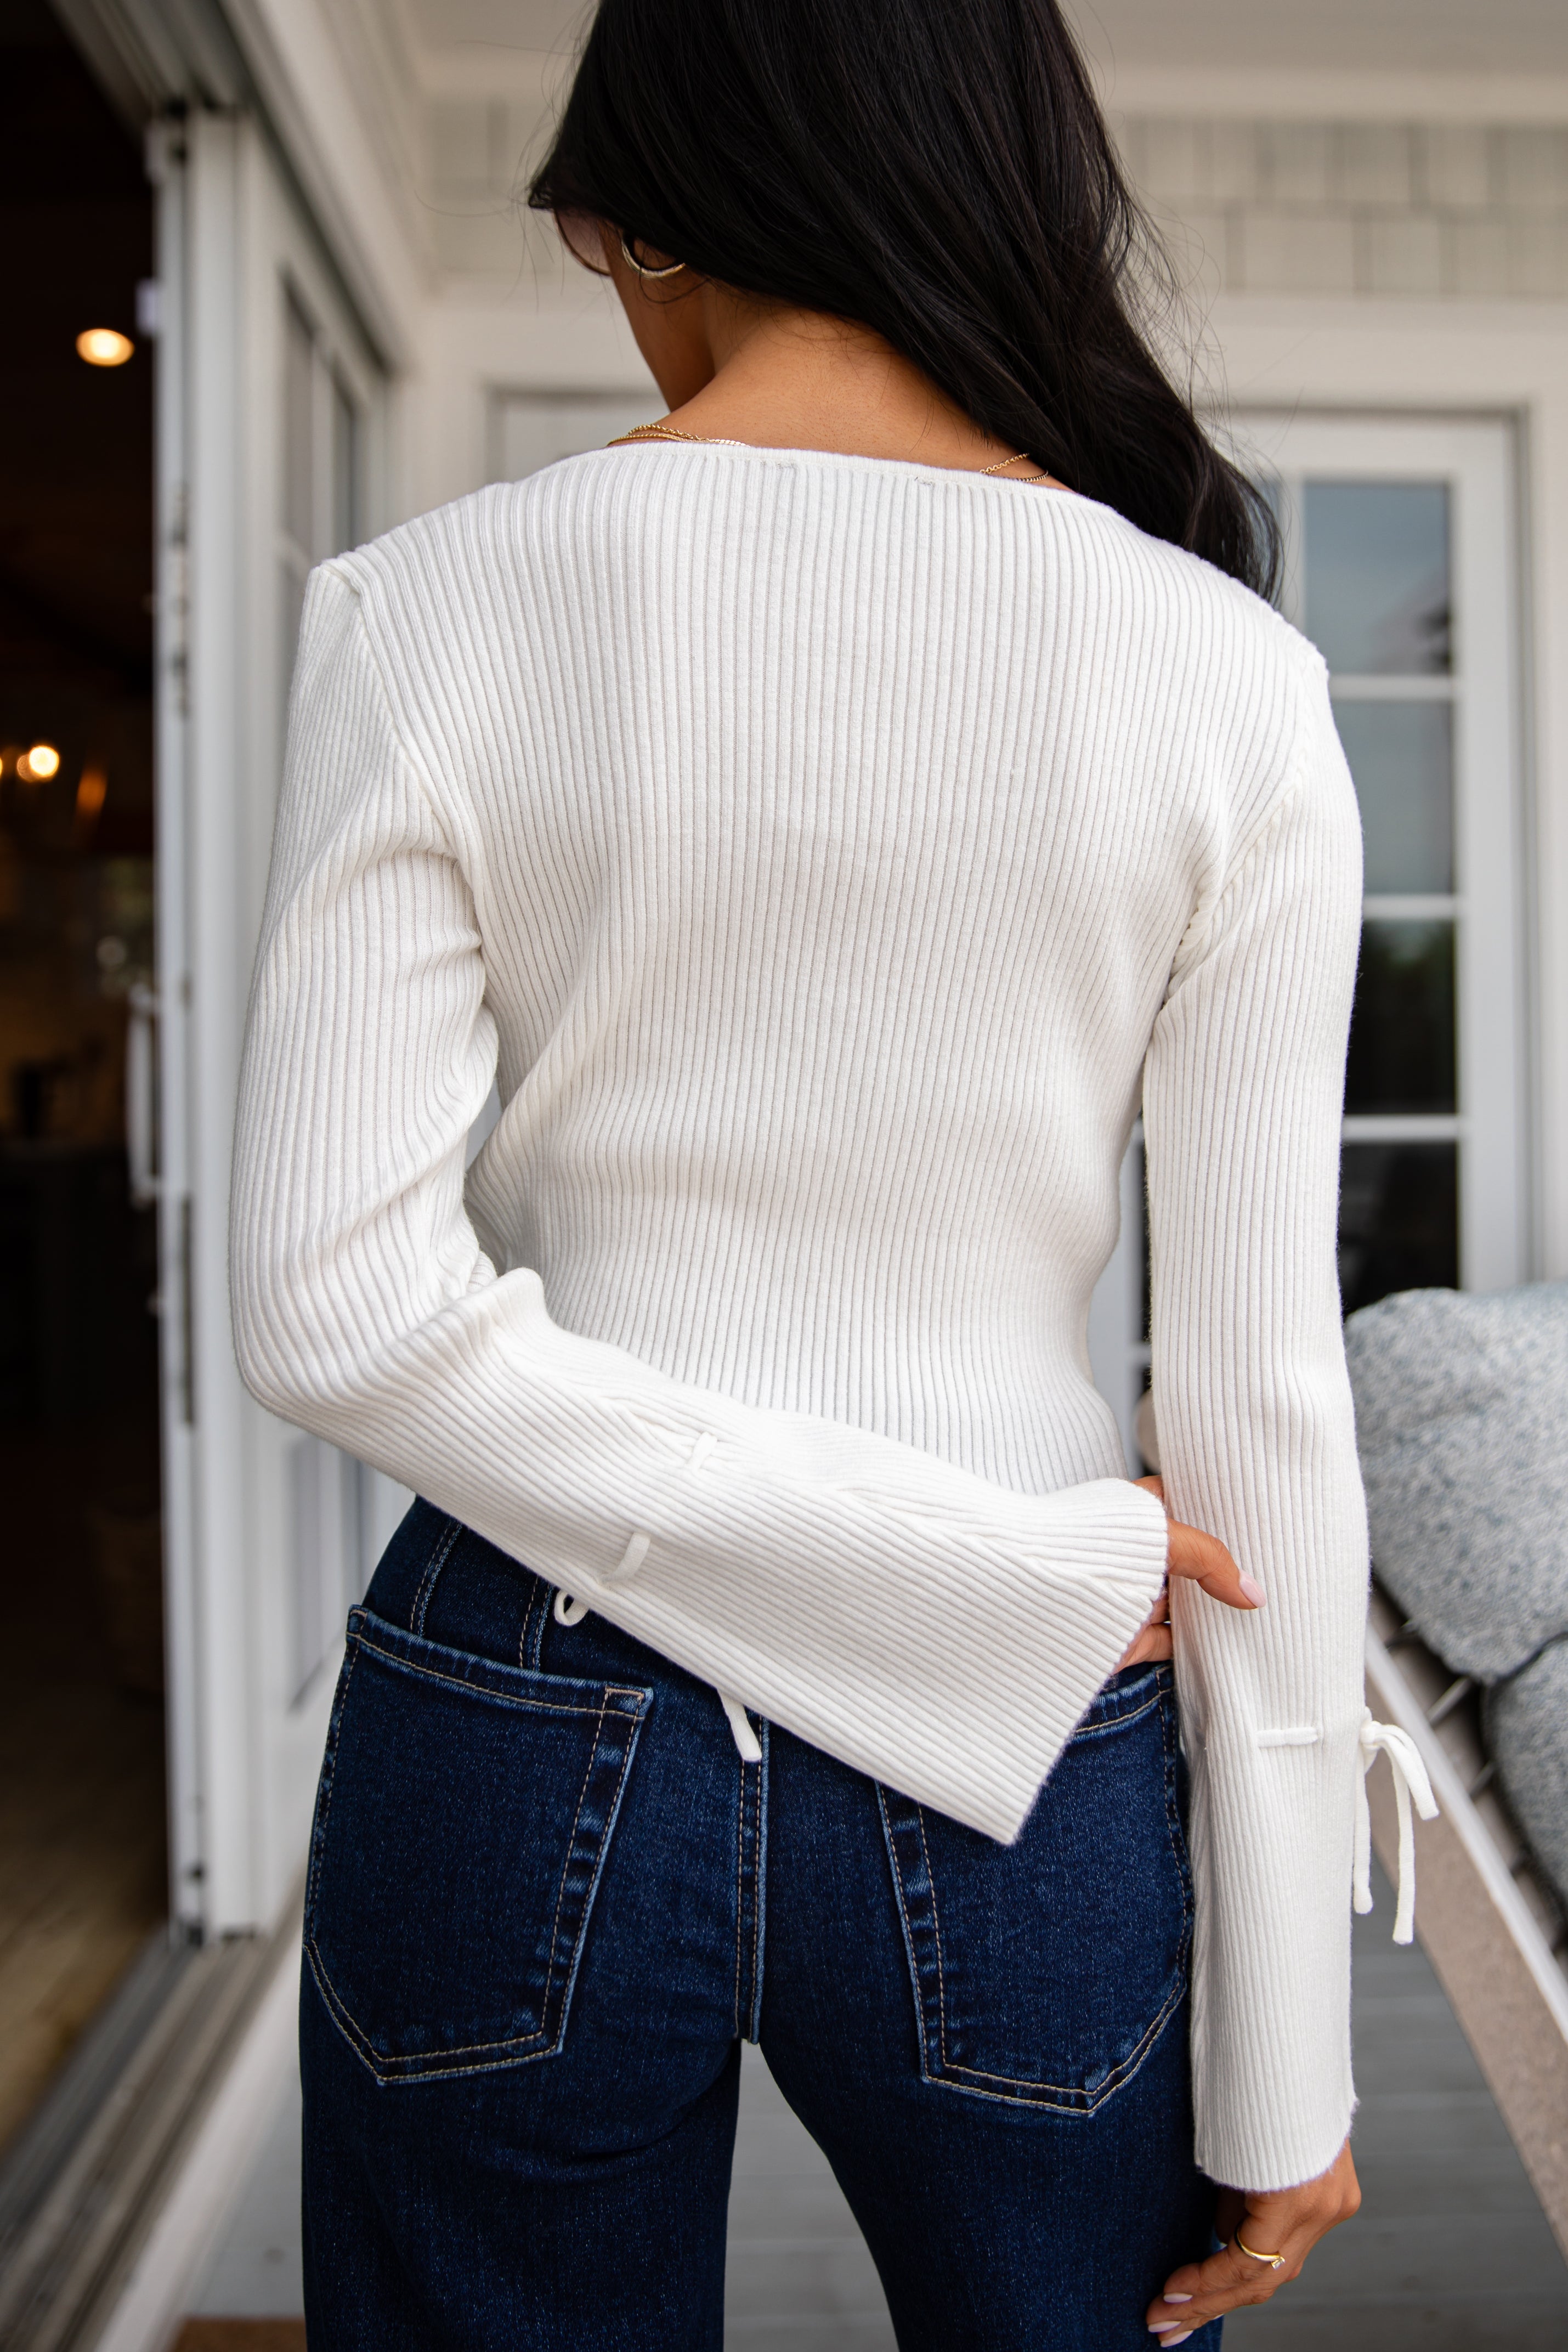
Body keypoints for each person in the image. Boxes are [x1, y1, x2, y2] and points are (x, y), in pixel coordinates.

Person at [230, 1, 1391, 2342]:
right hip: (1038, 1715)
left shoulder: (431, 606)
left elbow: (332, 1304)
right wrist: (1287, 2071)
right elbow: (1259, 1408)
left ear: (660, 206)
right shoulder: (1226, 677)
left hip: (521, 1697)